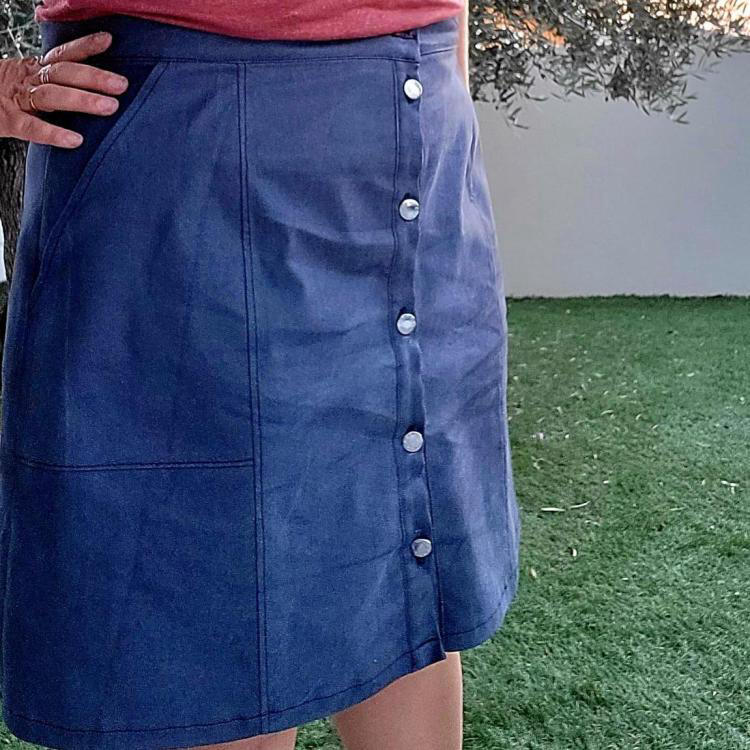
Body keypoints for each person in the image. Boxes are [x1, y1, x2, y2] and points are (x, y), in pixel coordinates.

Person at [0, 3, 521, 749]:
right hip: (179, 155)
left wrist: (449, 107)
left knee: (408, 574)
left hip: (417, 134)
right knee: (217, 616)